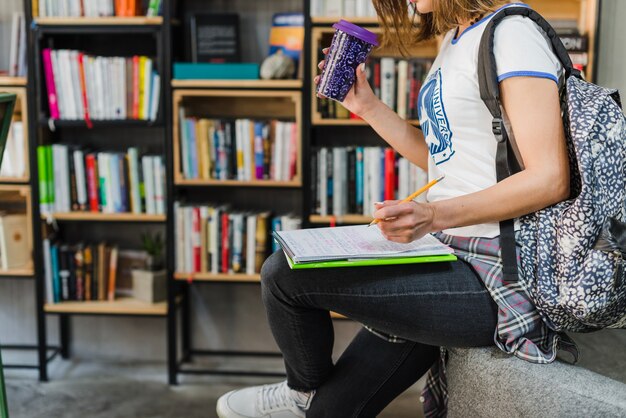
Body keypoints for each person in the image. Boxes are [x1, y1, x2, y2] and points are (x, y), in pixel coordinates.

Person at [217, 0, 575, 416]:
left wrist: (435, 216)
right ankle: (309, 400)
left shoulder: (513, 34)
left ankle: (301, 392)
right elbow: (442, 158)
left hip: (497, 276)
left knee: (284, 275)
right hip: (449, 255)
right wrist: (367, 106)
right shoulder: (455, 38)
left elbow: (550, 178)